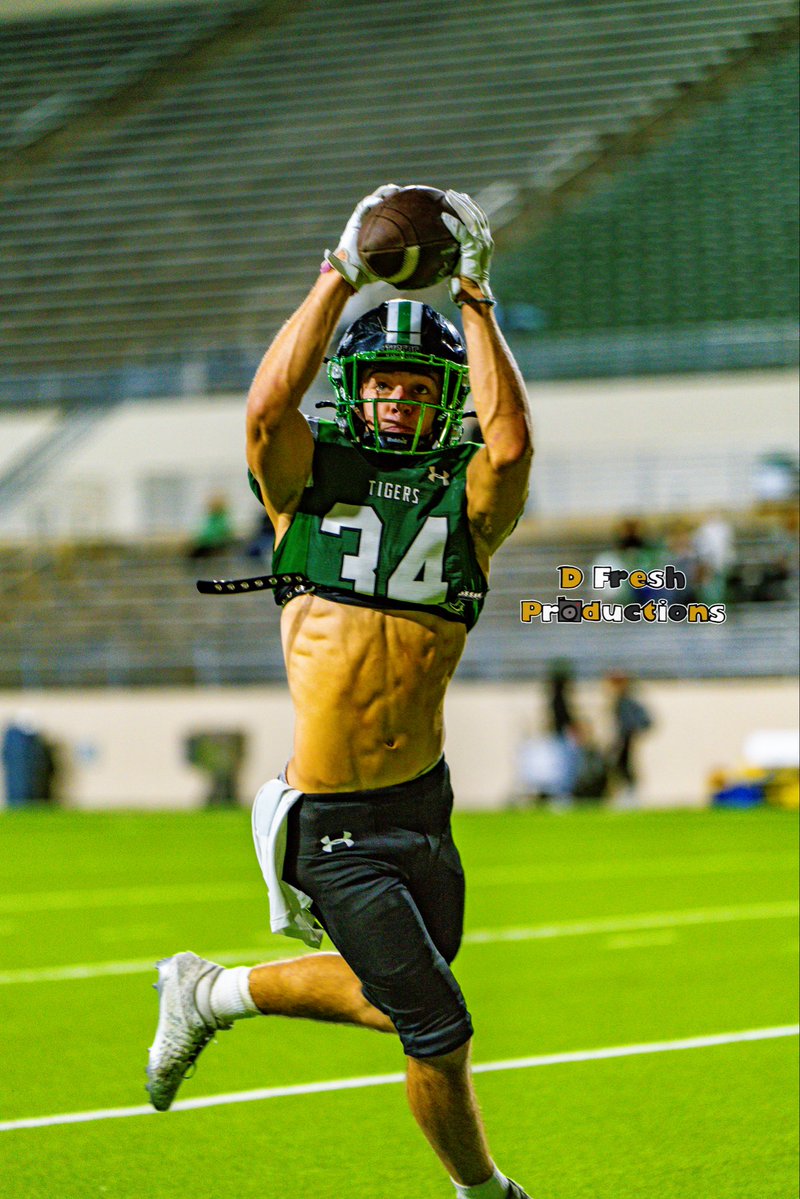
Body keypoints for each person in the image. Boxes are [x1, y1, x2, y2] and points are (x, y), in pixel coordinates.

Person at [146, 186, 534, 1199]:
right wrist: (336, 275)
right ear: (353, 387)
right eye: (383, 384)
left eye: (417, 386)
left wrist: (477, 301)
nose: (398, 400)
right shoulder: (303, 488)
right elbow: (267, 408)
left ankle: (211, 989)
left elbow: (513, 449)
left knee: (391, 997)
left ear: (439, 397)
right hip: (333, 818)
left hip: (421, 803)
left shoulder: (466, 507)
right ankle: (484, 1191)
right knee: (437, 1029)